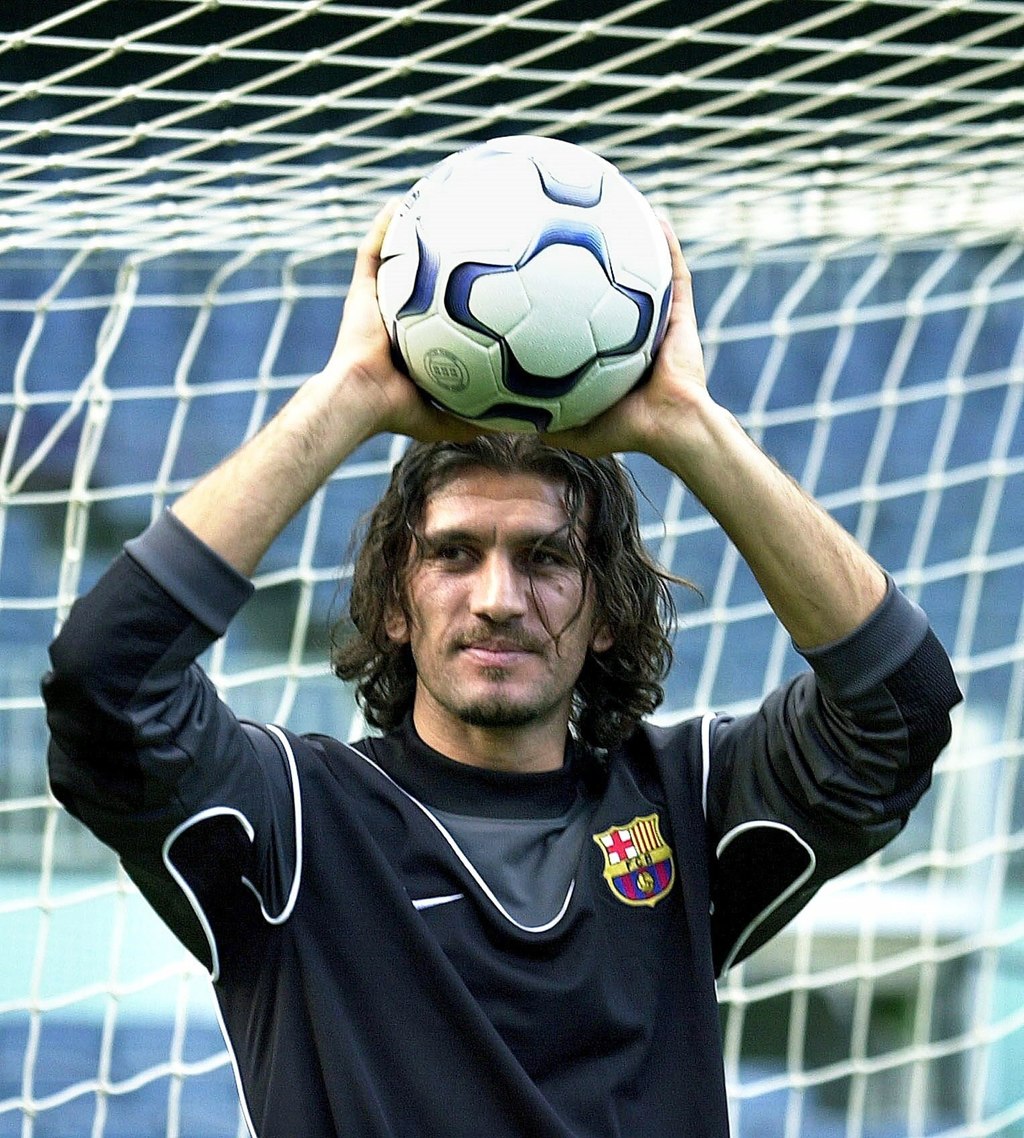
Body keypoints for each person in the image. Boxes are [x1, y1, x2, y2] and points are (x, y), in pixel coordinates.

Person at [42, 204, 961, 1138]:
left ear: (607, 614)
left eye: (545, 559)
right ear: (394, 603)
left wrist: (689, 426)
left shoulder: (685, 805)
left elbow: (902, 708)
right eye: (454, 555)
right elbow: (103, 684)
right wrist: (351, 393)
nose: (497, 599)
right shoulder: (295, 822)